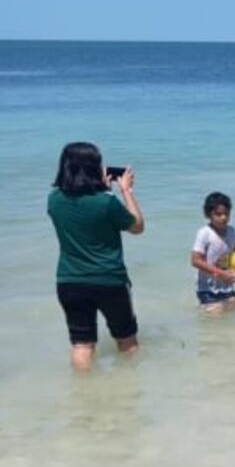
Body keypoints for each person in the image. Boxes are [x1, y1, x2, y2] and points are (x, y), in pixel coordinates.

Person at [47, 142, 144, 370]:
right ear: (94, 168)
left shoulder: (53, 200)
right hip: (108, 279)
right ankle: (128, 393)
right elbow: (137, 226)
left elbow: (79, 215)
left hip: (69, 281)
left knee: (82, 344)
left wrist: (99, 188)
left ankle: (83, 397)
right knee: (126, 339)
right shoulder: (106, 202)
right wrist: (126, 191)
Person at [191, 192, 235, 313]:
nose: (223, 217)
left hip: (226, 286)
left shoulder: (231, 231)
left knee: (234, 310)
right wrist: (220, 273)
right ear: (208, 215)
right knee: (215, 315)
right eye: (218, 214)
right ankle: (201, 310)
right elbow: (195, 260)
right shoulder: (204, 233)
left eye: (226, 214)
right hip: (207, 288)